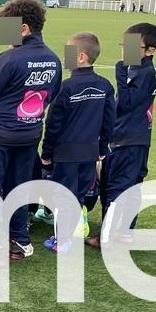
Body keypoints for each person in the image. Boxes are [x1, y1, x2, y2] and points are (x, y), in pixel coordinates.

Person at [0, 0, 63, 265]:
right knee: (20, 187)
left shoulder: (8, 58)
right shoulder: (54, 59)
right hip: (29, 131)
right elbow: (51, 94)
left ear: (23, 28)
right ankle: (21, 239)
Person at [39, 32, 115, 252]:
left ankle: (62, 241)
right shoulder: (105, 86)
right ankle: (71, 235)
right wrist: (101, 149)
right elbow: (108, 122)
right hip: (90, 153)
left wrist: (47, 152)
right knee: (79, 195)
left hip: (66, 154)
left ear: (81, 56)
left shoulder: (65, 87)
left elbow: (53, 124)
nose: (65, 57)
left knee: (64, 196)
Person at [88, 22, 156, 248]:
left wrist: (119, 69)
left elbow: (127, 104)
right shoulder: (139, 70)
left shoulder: (144, 72)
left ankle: (110, 235)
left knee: (116, 186)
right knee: (129, 186)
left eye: (131, 46)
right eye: (124, 45)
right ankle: (124, 232)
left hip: (128, 140)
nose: (124, 51)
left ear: (150, 50)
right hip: (133, 138)